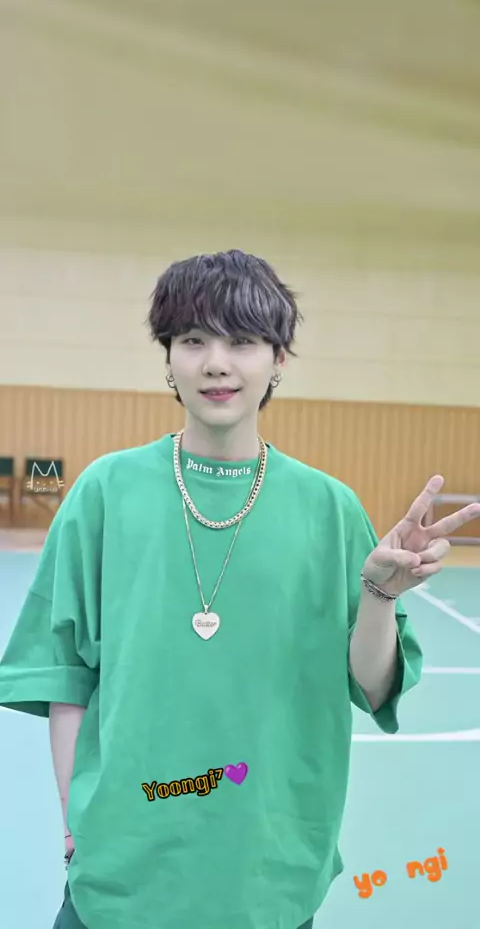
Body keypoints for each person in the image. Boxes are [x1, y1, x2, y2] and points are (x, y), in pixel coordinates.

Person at [1, 249, 477, 929]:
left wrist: (380, 596)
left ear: (278, 359)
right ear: (168, 358)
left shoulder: (329, 508)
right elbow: (65, 673)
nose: (216, 363)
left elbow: (374, 688)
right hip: (123, 867)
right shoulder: (105, 492)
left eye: (243, 342)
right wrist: (76, 818)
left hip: (267, 865)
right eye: (193, 340)